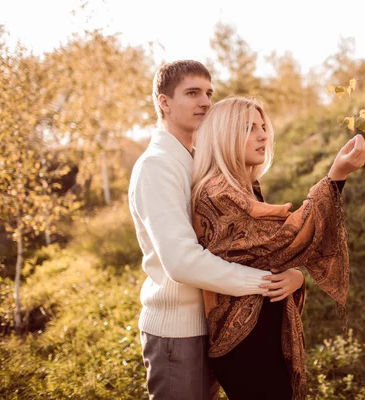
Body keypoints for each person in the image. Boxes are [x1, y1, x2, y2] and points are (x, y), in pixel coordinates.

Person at [128, 61, 305, 400]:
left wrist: (292, 274)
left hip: (215, 324)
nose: (205, 102)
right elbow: (181, 261)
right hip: (177, 331)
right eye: (192, 93)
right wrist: (265, 283)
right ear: (163, 102)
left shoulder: (198, 161)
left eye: (209, 93)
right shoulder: (157, 166)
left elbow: (243, 244)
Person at [191, 96, 365, 400]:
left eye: (263, 127)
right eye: (249, 128)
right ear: (224, 136)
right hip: (245, 346)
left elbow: (266, 253)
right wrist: (336, 176)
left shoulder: (245, 188)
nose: (263, 135)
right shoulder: (218, 193)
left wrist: (296, 276)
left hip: (260, 334)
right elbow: (286, 240)